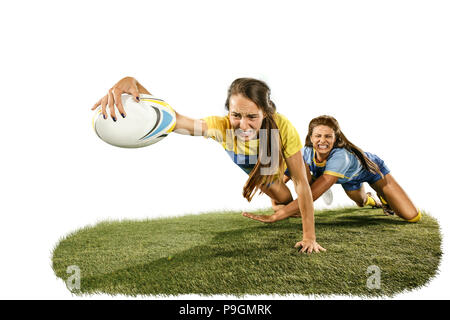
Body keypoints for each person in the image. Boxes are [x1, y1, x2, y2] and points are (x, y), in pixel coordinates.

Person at [91, 76, 326, 253]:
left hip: (277, 149)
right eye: (236, 115)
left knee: (301, 181)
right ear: (228, 112)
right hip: (260, 165)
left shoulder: (282, 127)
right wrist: (133, 83)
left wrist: (310, 237)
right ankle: (281, 188)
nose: (243, 125)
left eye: (252, 117)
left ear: (264, 112)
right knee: (282, 200)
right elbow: (172, 119)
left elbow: (301, 184)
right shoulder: (220, 127)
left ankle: (310, 169)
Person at [242, 115, 422, 223]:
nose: (323, 140)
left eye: (328, 136)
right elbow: (284, 178)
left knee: (411, 216)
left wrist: (279, 215)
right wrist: (276, 200)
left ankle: (384, 195)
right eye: (318, 136)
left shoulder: (340, 156)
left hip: (371, 171)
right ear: (310, 138)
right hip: (348, 180)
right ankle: (371, 200)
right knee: (360, 202)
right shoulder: (305, 152)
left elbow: (311, 195)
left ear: (336, 138)